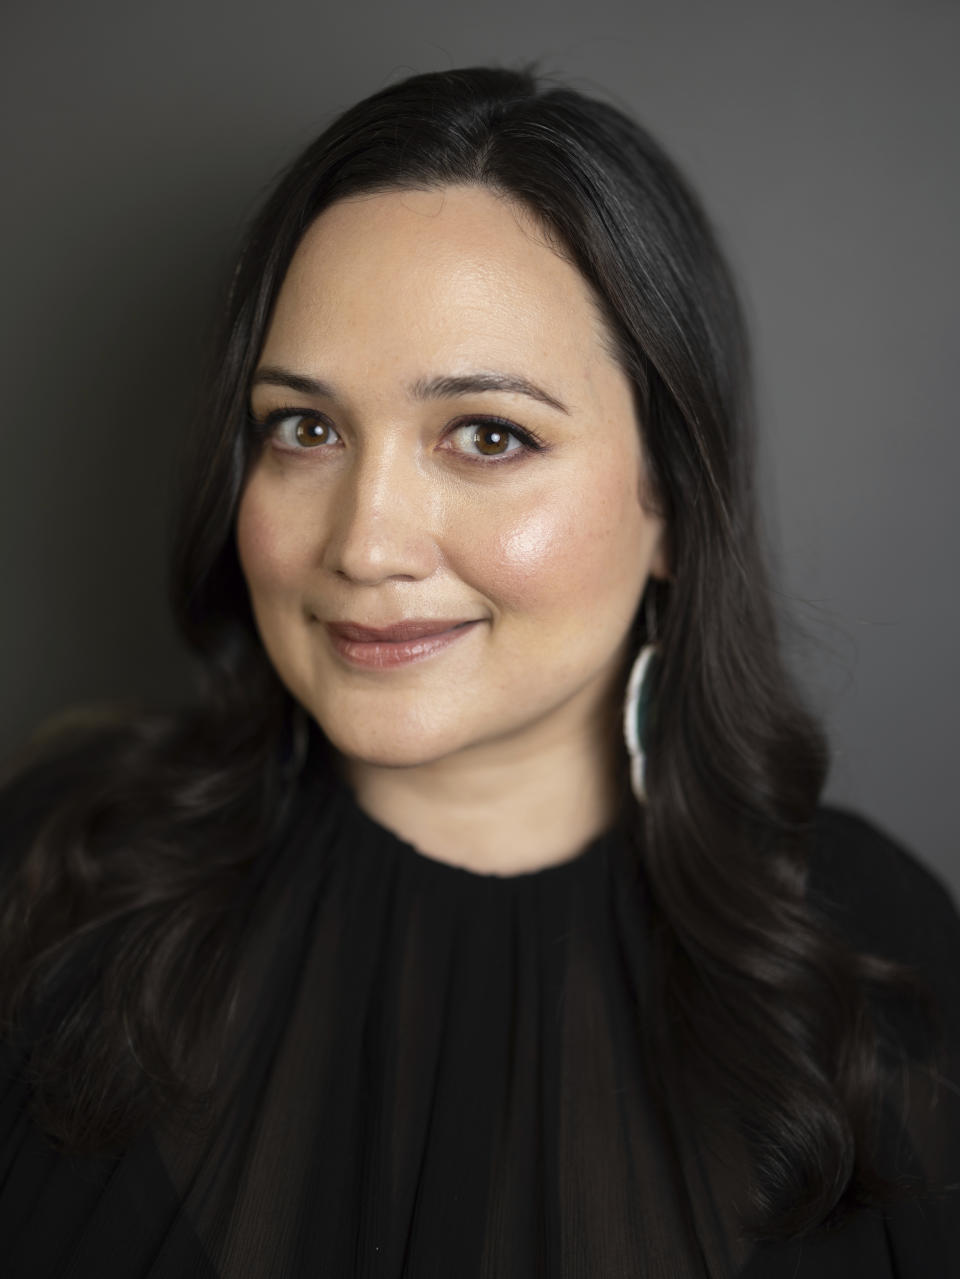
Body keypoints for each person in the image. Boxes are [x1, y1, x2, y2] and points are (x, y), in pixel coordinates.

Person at [0, 62, 957, 1279]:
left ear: (670, 499)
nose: (365, 543)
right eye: (305, 427)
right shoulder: (54, 870)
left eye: (489, 435)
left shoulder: (878, 952)